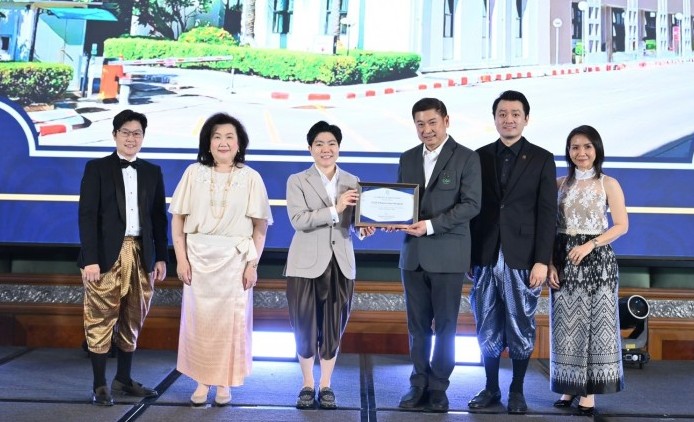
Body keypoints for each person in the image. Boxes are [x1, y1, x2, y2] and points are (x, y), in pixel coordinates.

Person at [169, 112, 272, 407]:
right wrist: (181, 260)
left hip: (234, 263)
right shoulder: (193, 173)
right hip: (198, 260)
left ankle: (225, 381)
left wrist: (252, 265)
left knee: (230, 325)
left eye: (229, 137)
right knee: (200, 323)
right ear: (208, 143)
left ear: (239, 144)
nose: (223, 142)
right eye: (217, 137)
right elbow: (178, 220)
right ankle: (202, 381)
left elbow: (260, 227)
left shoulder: (251, 178)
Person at [468, 90, 557, 414]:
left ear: (526, 119)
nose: (509, 119)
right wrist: (469, 256)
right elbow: (472, 210)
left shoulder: (542, 158)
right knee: (486, 322)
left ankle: (517, 390)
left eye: (515, 114)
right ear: (494, 119)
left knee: (521, 324)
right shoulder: (478, 156)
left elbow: (547, 213)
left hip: (523, 256)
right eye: (502, 114)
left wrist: (542, 260)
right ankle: (491, 388)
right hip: (485, 253)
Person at [395, 97, 481, 413]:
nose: (426, 129)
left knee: (445, 327)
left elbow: (471, 205)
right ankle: (418, 383)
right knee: (417, 327)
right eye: (420, 124)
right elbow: (400, 202)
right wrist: (390, 220)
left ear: (446, 121)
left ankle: (439, 386)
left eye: (432, 122)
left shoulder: (467, 158)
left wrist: (430, 225)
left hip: (448, 255)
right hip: (413, 256)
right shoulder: (407, 158)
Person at [78, 109, 168, 406]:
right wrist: (90, 258)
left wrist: (161, 257)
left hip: (142, 252)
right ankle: (100, 384)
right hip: (104, 256)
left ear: (143, 137)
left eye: (137, 133)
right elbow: (87, 215)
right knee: (100, 317)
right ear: (115, 134)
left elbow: (159, 218)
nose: (131, 138)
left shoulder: (152, 171)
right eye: (126, 132)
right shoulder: (97, 168)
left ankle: (123, 379)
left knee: (134, 316)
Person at [284, 121, 376, 410]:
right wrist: (335, 209)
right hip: (304, 264)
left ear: (339, 147)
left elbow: (353, 223)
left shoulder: (352, 180)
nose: (326, 149)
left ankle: (325, 385)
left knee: (333, 326)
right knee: (304, 325)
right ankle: (307, 384)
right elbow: (298, 220)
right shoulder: (297, 180)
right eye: (320, 144)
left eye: (332, 144)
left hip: (341, 263)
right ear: (310, 148)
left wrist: (363, 230)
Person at [547, 125, 628, 416]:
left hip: (597, 261)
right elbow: (548, 227)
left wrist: (590, 245)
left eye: (587, 147)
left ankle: (589, 393)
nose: (581, 152)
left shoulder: (608, 183)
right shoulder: (558, 184)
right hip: (563, 258)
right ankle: (569, 387)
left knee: (594, 326)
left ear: (597, 150)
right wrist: (550, 262)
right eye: (575, 147)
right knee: (566, 326)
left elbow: (621, 225)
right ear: (568, 151)